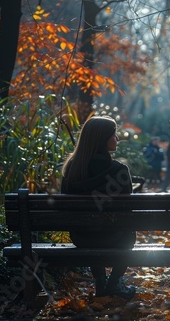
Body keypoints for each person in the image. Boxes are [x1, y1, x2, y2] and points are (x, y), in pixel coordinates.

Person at [61, 116, 136, 300]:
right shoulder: (119, 170)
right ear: (102, 139)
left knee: (92, 227)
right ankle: (114, 282)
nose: (117, 138)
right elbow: (128, 209)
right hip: (115, 237)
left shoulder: (72, 169)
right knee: (126, 230)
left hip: (81, 236)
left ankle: (101, 282)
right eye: (114, 134)